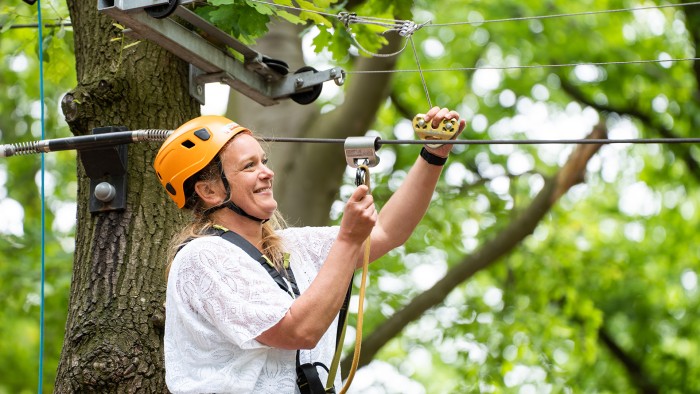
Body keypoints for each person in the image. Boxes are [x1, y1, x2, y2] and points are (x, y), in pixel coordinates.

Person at [153, 106, 466, 393]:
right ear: (209, 191)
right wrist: (347, 239)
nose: (267, 172)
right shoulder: (202, 258)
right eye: (250, 166)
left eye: (264, 161)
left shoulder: (293, 246)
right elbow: (297, 332)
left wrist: (433, 155)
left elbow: (386, 232)